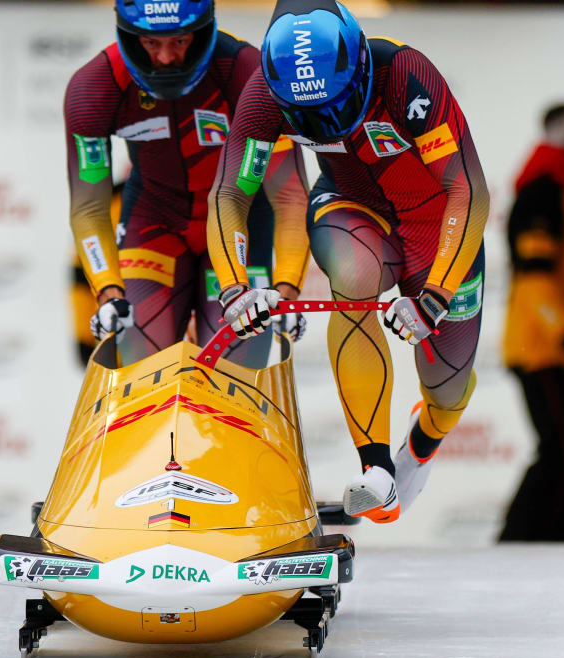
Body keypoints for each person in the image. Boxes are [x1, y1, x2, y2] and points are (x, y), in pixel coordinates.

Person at [207, 0, 488, 523]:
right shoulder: (265, 96)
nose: (326, 123)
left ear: (359, 65)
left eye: (336, 104)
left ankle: (420, 446)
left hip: (436, 221)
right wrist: (234, 288)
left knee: (447, 390)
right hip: (351, 204)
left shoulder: (406, 75)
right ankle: (377, 470)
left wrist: (436, 296)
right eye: (309, 116)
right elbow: (229, 196)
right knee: (353, 274)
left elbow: (467, 191)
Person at [65, 0, 310, 367]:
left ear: (202, 31)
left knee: (234, 375)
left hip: (238, 224)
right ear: (130, 36)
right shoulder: (94, 88)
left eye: (179, 41)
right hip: (154, 222)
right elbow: (89, 206)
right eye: (151, 43)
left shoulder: (247, 73)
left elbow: (290, 195)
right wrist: (108, 291)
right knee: (141, 366)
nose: (165, 58)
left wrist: (286, 288)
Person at [498, 104, 564, 542]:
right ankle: (527, 543)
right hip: (544, 347)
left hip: (562, 348)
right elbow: (534, 273)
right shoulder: (544, 190)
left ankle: (555, 542)